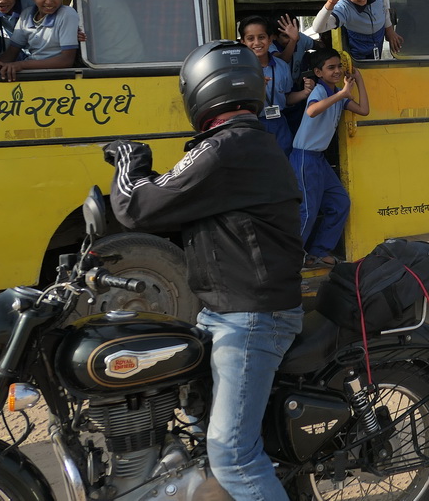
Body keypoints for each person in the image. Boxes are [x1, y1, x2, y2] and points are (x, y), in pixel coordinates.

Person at [104, 40, 303, 501]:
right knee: (193, 416)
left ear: (198, 90)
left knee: (233, 455)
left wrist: (130, 163)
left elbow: (139, 206)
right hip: (227, 307)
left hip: (250, 316)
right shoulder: (244, 142)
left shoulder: (225, 148)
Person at [292, 48, 369, 266]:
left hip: (319, 160)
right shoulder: (320, 91)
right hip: (305, 158)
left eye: (339, 67)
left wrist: (359, 82)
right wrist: (342, 94)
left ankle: (318, 251)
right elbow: (312, 111)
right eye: (331, 68)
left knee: (340, 202)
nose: (336, 71)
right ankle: (292, 263)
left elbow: (364, 110)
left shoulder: (337, 94)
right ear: (318, 72)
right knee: (307, 212)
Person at [240, 15, 312, 156]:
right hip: (253, 124)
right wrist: (256, 89)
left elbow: (286, 98)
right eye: (250, 38)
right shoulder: (240, 70)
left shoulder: (281, 66)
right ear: (243, 42)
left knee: (284, 162)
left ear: (270, 39)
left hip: (279, 123)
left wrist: (305, 92)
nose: (257, 43)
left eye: (261, 37)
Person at [307, 0, 403, 60]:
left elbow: (384, 6)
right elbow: (318, 28)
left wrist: (389, 30)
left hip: (379, 36)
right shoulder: (343, 8)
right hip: (358, 44)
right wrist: (332, 1)